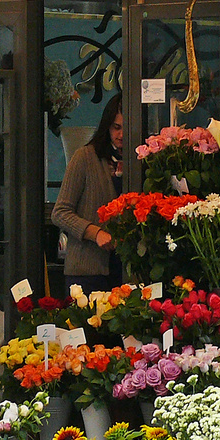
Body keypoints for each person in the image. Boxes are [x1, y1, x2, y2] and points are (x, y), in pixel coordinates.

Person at [52, 94, 125, 295]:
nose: (121, 134)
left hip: (126, 270)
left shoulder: (140, 160)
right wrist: (95, 233)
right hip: (88, 271)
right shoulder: (85, 157)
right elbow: (60, 213)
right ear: (106, 127)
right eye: (116, 127)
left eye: (126, 127)